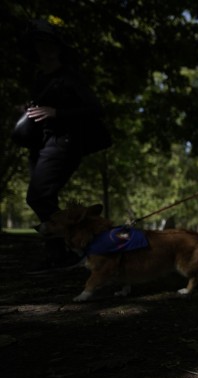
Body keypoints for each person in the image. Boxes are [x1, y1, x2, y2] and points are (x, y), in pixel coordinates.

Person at [16, 20, 109, 273]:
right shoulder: (39, 78)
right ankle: (59, 254)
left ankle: (76, 246)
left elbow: (95, 109)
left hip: (64, 143)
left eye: (48, 44)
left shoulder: (70, 77)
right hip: (40, 143)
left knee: (37, 195)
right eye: (38, 44)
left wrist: (56, 112)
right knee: (44, 197)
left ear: (58, 48)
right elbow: (40, 108)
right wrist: (28, 110)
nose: (43, 49)